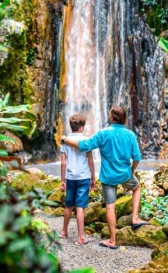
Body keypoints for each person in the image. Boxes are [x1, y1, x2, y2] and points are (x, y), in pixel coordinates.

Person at [61, 106, 148, 249]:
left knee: (110, 206)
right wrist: (132, 171)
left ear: (111, 117)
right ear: (124, 119)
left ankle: (113, 240)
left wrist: (65, 139)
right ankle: (135, 218)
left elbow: (84, 145)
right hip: (125, 174)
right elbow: (137, 157)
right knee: (137, 188)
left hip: (108, 176)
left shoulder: (103, 134)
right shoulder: (130, 135)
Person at [60, 114, 95, 245]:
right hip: (83, 177)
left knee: (69, 205)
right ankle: (81, 237)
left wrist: (62, 180)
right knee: (80, 206)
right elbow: (90, 161)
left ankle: (64, 232)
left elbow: (63, 163)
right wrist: (93, 177)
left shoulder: (65, 141)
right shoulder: (86, 140)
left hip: (70, 177)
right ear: (81, 127)